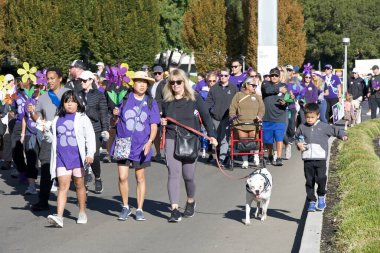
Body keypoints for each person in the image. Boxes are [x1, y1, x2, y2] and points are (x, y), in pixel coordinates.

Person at [161, 69, 217, 222]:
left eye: (178, 82)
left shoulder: (194, 98)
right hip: (172, 138)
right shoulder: (166, 101)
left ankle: (190, 201)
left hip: (190, 140)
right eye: (172, 82)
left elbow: (206, 117)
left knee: (189, 176)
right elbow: (162, 118)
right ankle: (174, 209)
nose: (175, 85)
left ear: (184, 82)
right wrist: (162, 122)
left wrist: (212, 135)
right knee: (173, 173)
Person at [111, 71, 160, 221]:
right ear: (133, 83)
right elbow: (114, 123)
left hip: (141, 144)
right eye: (139, 81)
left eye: (145, 82)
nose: (142, 84)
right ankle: (125, 206)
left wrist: (150, 142)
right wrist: (114, 115)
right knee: (122, 176)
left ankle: (139, 208)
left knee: (140, 177)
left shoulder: (151, 102)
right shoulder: (125, 98)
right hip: (123, 142)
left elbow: (154, 126)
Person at [47, 90, 95, 227]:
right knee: (63, 187)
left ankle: (82, 212)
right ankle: (59, 217)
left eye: (73, 101)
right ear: (63, 103)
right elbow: (52, 138)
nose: (70, 104)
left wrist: (90, 154)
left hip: (78, 158)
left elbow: (90, 137)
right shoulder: (57, 119)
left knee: (79, 185)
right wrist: (45, 130)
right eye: (67, 101)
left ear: (78, 103)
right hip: (61, 158)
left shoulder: (82, 118)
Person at [29, 68, 70, 211]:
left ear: (60, 78)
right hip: (49, 136)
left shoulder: (68, 93)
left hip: (66, 136)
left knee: (67, 169)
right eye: (48, 78)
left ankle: (76, 198)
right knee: (46, 166)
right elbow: (37, 113)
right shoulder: (44, 96)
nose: (50, 81)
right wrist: (37, 118)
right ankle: (43, 200)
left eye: (53, 78)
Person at [295, 103, 347, 212]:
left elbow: (336, 130)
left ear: (318, 116)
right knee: (309, 181)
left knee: (321, 178)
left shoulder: (324, 127)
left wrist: (343, 135)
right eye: (307, 117)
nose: (309, 119)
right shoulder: (302, 127)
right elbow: (297, 138)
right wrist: (298, 144)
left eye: (312, 117)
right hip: (307, 159)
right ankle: (312, 201)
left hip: (320, 159)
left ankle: (321, 196)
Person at [77, 70, 109, 193]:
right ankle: (84, 180)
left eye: (85, 80)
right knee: (82, 155)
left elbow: (103, 113)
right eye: (81, 80)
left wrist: (105, 129)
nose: (82, 83)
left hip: (95, 128)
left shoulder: (99, 94)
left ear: (91, 80)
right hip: (80, 129)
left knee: (94, 155)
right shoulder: (77, 94)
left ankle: (98, 177)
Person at [205, 67, 238, 169]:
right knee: (217, 138)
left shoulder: (233, 88)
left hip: (227, 118)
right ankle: (219, 156)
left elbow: (237, 102)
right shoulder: (214, 88)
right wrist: (205, 112)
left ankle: (222, 159)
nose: (223, 77)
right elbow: (208, 102)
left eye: (225, 75)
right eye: (221, 75)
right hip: (215, 117)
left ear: (228, 76)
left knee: (224, 139)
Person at [229, 77, 265, 168]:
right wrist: (233, 117)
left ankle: (256, 156)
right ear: (246, 85)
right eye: (252, 85)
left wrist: (260, 116)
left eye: (255, 85)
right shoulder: (238, 95)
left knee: (255, 140)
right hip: (241, 123)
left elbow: (262, 108)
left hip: (254, 123)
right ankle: (245, 161)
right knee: (243, 142)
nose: (254, 87)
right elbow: (232, 107)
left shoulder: (257, 96)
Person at [261, 68, 287, 166]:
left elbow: (288, 99)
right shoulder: (265, 84)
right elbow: (267, 91)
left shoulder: (284, 86)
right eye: (272, 75)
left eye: (276, 75)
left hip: (279, 116)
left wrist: (285, 103)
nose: (274, 77)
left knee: (279, 138)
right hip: (267, 117)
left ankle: (279, 158)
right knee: (268, 140)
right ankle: (270, 155)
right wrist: (278, 90)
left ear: (279, 77)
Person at [149, 65, 166, 162]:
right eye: (155, 73)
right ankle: (158, 153)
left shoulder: (165, 83)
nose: (157, 75)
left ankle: (166, 155)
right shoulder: (152, 84)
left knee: (163, 133)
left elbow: (165, 99)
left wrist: (162, 111)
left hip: (160, 111)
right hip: (152, 110)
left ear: (163, 73)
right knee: (154, 133)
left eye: (159, 73)